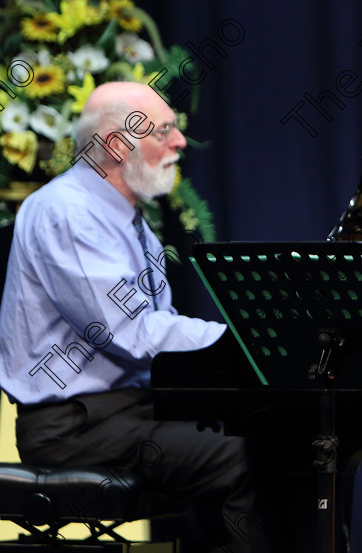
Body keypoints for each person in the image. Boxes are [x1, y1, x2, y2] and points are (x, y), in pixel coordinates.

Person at [0, 82, 271, 553]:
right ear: (117, 145)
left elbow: (153, 328)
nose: (181, 142)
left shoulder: (123, 215)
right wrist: (246, 337)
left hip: (130, 410)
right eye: (165, 130)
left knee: (281, 435)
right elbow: (128, 333)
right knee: (249, 456)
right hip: (75, 427)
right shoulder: (68, 212)